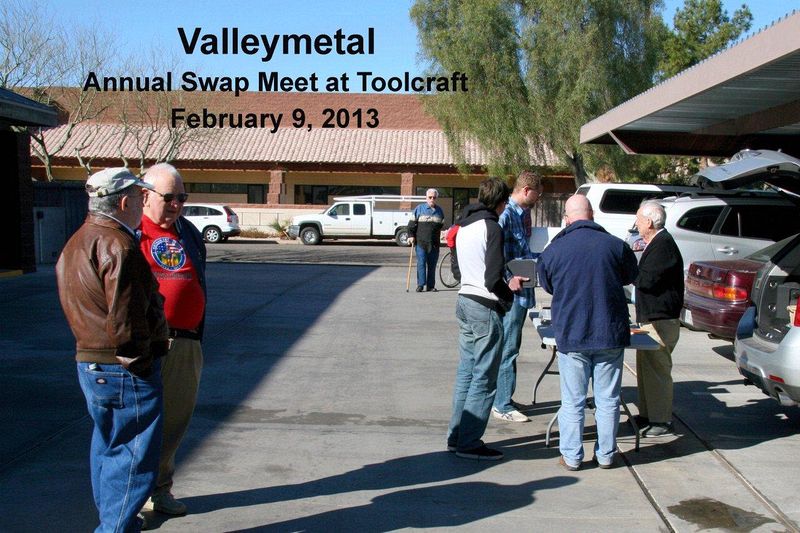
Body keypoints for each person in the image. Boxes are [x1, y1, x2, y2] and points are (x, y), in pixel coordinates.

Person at [55, 167, 169, 532]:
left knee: (109, 448)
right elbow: (127, 318)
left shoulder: (78, 240)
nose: (143, 203)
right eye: (139, 196)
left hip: (93, 363)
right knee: (132, 456)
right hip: (122, 367)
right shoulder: (119, 245)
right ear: (123, 202)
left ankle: (117, 523)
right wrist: (142, 362)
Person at [537, 195, 638, 470]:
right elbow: (631, 275)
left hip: (573, 333)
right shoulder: (615, 245)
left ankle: (571, 456)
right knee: (608, 400)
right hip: (609, 331)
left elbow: (546, 284)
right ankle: (606, 455)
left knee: (573, 401)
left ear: (566, 219)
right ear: (592, 214)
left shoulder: (554, 249)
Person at [139, 163, 207, 516]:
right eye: (169, 197)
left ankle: (160, 490)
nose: (177, 205)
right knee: (140, 426)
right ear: (145, 196)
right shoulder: (129, 231)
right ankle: (133, 500)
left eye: (182, 197)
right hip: (144, 346)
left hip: (185, 343)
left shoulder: (188, 232)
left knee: (175, 422)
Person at [446, 178, 526, 460]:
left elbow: (460, 269)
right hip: (483, 305)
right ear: (502, 202)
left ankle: (456, 437)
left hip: (464, 299)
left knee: (466, 373)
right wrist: (510, 290)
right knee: (484, 377)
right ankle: (468, 442)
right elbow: (493, 278)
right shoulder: (492, 227)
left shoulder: (464, 225)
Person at [492, 170, 544, 423]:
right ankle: (502, 404)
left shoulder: (520, 214)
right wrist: (508, 278)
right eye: (537, 193)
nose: (538, 198)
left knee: (511, 346)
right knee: (509, 348)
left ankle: (504, 397)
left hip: (521, 293)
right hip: (513, 295)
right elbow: (494, 252)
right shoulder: (507, 215)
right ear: (526, 190)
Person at [633, 200, 684, 437]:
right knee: (645, 368)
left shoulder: (663, 245)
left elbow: (647, 280)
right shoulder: (656, 243)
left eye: (638, 220)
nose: (636, 224)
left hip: (660, 319)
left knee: (657, 369)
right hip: (651, 317)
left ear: (649, 222)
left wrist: (628, 270)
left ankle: (661, 420)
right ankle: (647, 414)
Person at [408, 188, 445, 292]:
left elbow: (441, 225)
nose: (432, 199)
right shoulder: (419, 209)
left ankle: (431, 286)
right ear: (426, 198)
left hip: (434, 243)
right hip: (421, 242)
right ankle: (420, 285)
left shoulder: (439, 211)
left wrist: (443, 234)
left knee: (432, 265)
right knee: (421, 263)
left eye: (434, 197)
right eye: (430, 197)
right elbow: (411, 224)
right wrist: (411, 235)